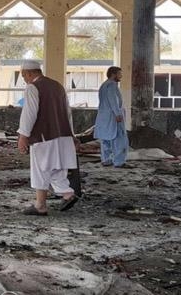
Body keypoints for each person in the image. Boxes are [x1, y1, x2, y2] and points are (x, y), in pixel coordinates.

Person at [17, 60, 79, 215]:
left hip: (44, 136)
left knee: (40, 169)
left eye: (24, 76)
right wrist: (72, 134)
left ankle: (40, 206)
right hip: (63, 135)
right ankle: (67, 194)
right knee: (57, 167)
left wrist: (23, 135)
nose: (24, 79)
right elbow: (68, 112)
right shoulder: (58, 86)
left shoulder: (33, 88)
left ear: (29, 73)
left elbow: (29, 114)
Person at [94, 66, 130, 168]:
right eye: (119, 74)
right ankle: (119, 162)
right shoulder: (112, 86)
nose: (121, 76)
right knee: (119, 139)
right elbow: (114, 101)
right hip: (113, 117)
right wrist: (118, 114)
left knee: (105, 139)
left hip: (103, 117)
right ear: (114, 74)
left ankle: (106, 160)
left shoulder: (104, 85)